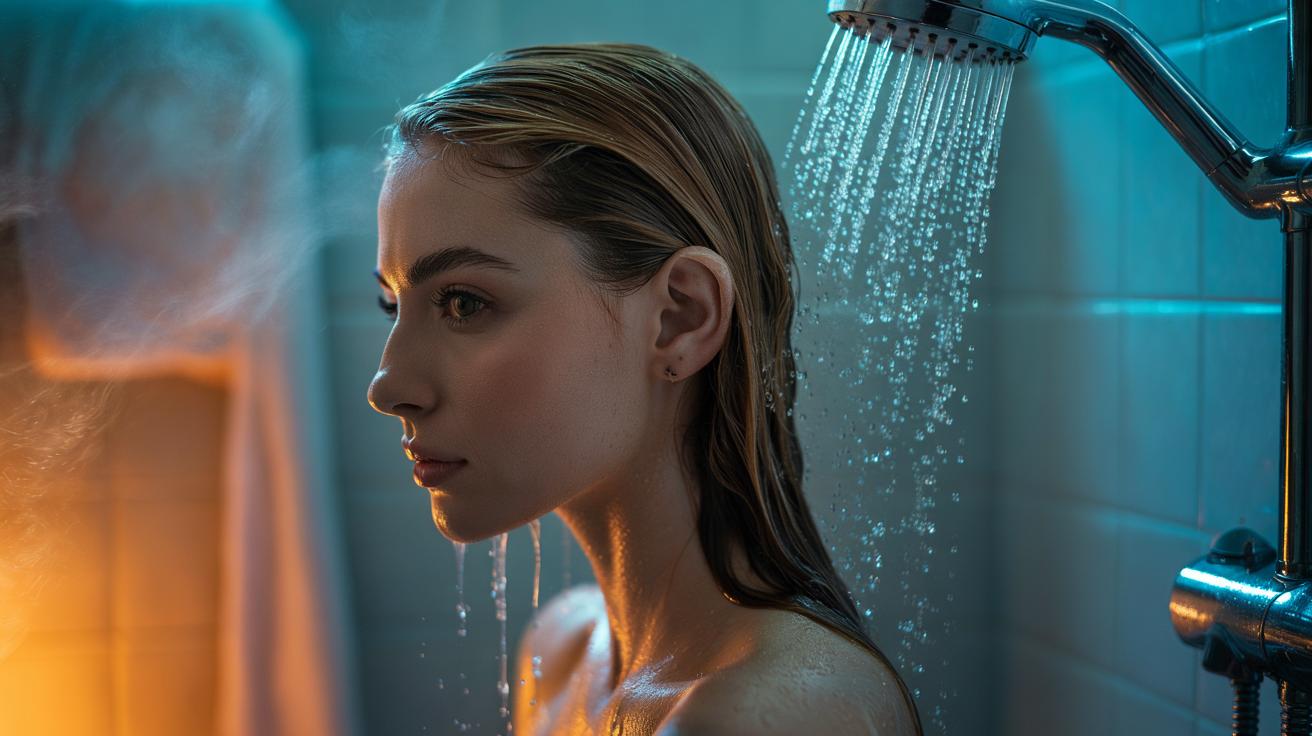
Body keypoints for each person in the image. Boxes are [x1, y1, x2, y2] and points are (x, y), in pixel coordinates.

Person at [366, 42, 923, 736]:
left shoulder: (765, 716)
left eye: (463, 303)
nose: (388, 385)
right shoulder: (564, 650)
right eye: (395, 305)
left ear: (679, 318)